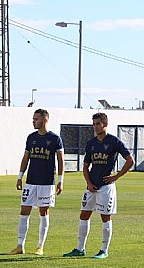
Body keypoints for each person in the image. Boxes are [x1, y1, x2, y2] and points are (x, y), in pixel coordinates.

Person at [63, 112, 134, 259]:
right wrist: (88, 183)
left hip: (106, 187)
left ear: (105, 124)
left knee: (105, 217)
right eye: (94, 124)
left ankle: (103, 250)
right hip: (91, 186)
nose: (95, 127)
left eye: (98, 124)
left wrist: (116, 176)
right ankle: (80, 248)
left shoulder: (114, 141)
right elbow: (85, 166)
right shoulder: (91, 143)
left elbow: (130, 160)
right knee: (84, 214)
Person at [8, 109, 64, 256]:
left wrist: (61, 181)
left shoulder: (55, 139)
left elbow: (60, 160)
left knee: (43, 212)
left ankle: (40, 246)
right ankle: (20, 246)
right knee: (24, 211)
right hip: (30, 181)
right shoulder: (31, 138)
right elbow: (25, 158)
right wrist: (20, 177)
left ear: (44, 120)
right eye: (33, 119)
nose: (33, 121)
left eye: (36, 119)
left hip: (46, 183)